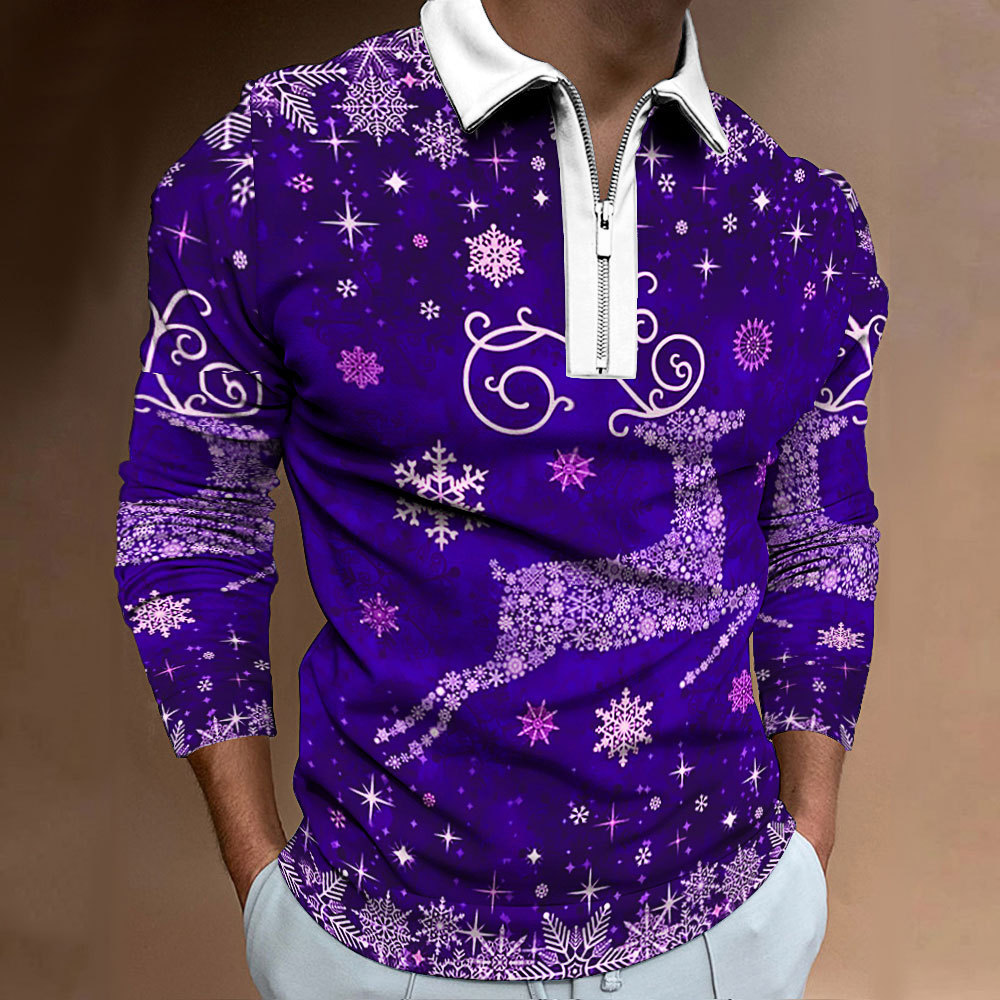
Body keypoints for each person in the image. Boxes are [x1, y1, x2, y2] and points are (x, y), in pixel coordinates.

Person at [114, 0, 889, 996]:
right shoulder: (277, 167)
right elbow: (192, 521)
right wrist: (262, 883)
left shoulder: (801, 221)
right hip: (375, 946)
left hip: (723, 935)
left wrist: (805, 856)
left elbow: (822, 534)